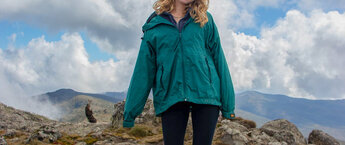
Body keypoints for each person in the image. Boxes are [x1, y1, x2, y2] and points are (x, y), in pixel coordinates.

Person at [123, 0, 236, 144]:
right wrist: (130, 113)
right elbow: (143, 70)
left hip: (206, 94)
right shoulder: (155, 25)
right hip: (171, 95)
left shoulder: (204, 19)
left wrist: (228, 105)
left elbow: (219, 59)